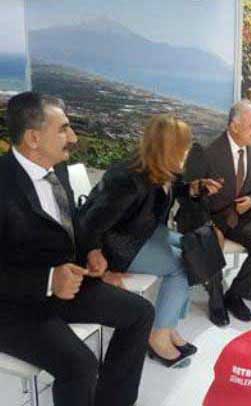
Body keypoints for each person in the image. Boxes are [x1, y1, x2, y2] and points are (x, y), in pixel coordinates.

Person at [0, 91, 155, 406]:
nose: (72, 137)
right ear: (33, 138)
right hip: (11, 304)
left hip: (65, 285)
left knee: (141, 313)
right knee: (80, 365)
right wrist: (48, 281)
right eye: (63, 129)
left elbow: (72, 223)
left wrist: (91, 251)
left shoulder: (56, 169)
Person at [78, 114, 222, 368]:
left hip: (143, 232)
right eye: (184, 146)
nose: (188, 151)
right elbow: (89, 224)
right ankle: (158, 337)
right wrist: (100, 266)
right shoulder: (126, 179)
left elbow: (167, 192)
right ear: (169, 148)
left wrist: (194, 187)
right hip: (119, 245)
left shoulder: (163, 168)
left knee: (194, 250)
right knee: (183, 266)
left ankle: (169, 325)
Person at [176, 100, 251, 325]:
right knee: (211, 240)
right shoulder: (205, 150)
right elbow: (184, 192)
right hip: (205, 213)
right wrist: (200, 188)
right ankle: (216, 298)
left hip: (240, 213)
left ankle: (235, 295)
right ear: (234, 126)